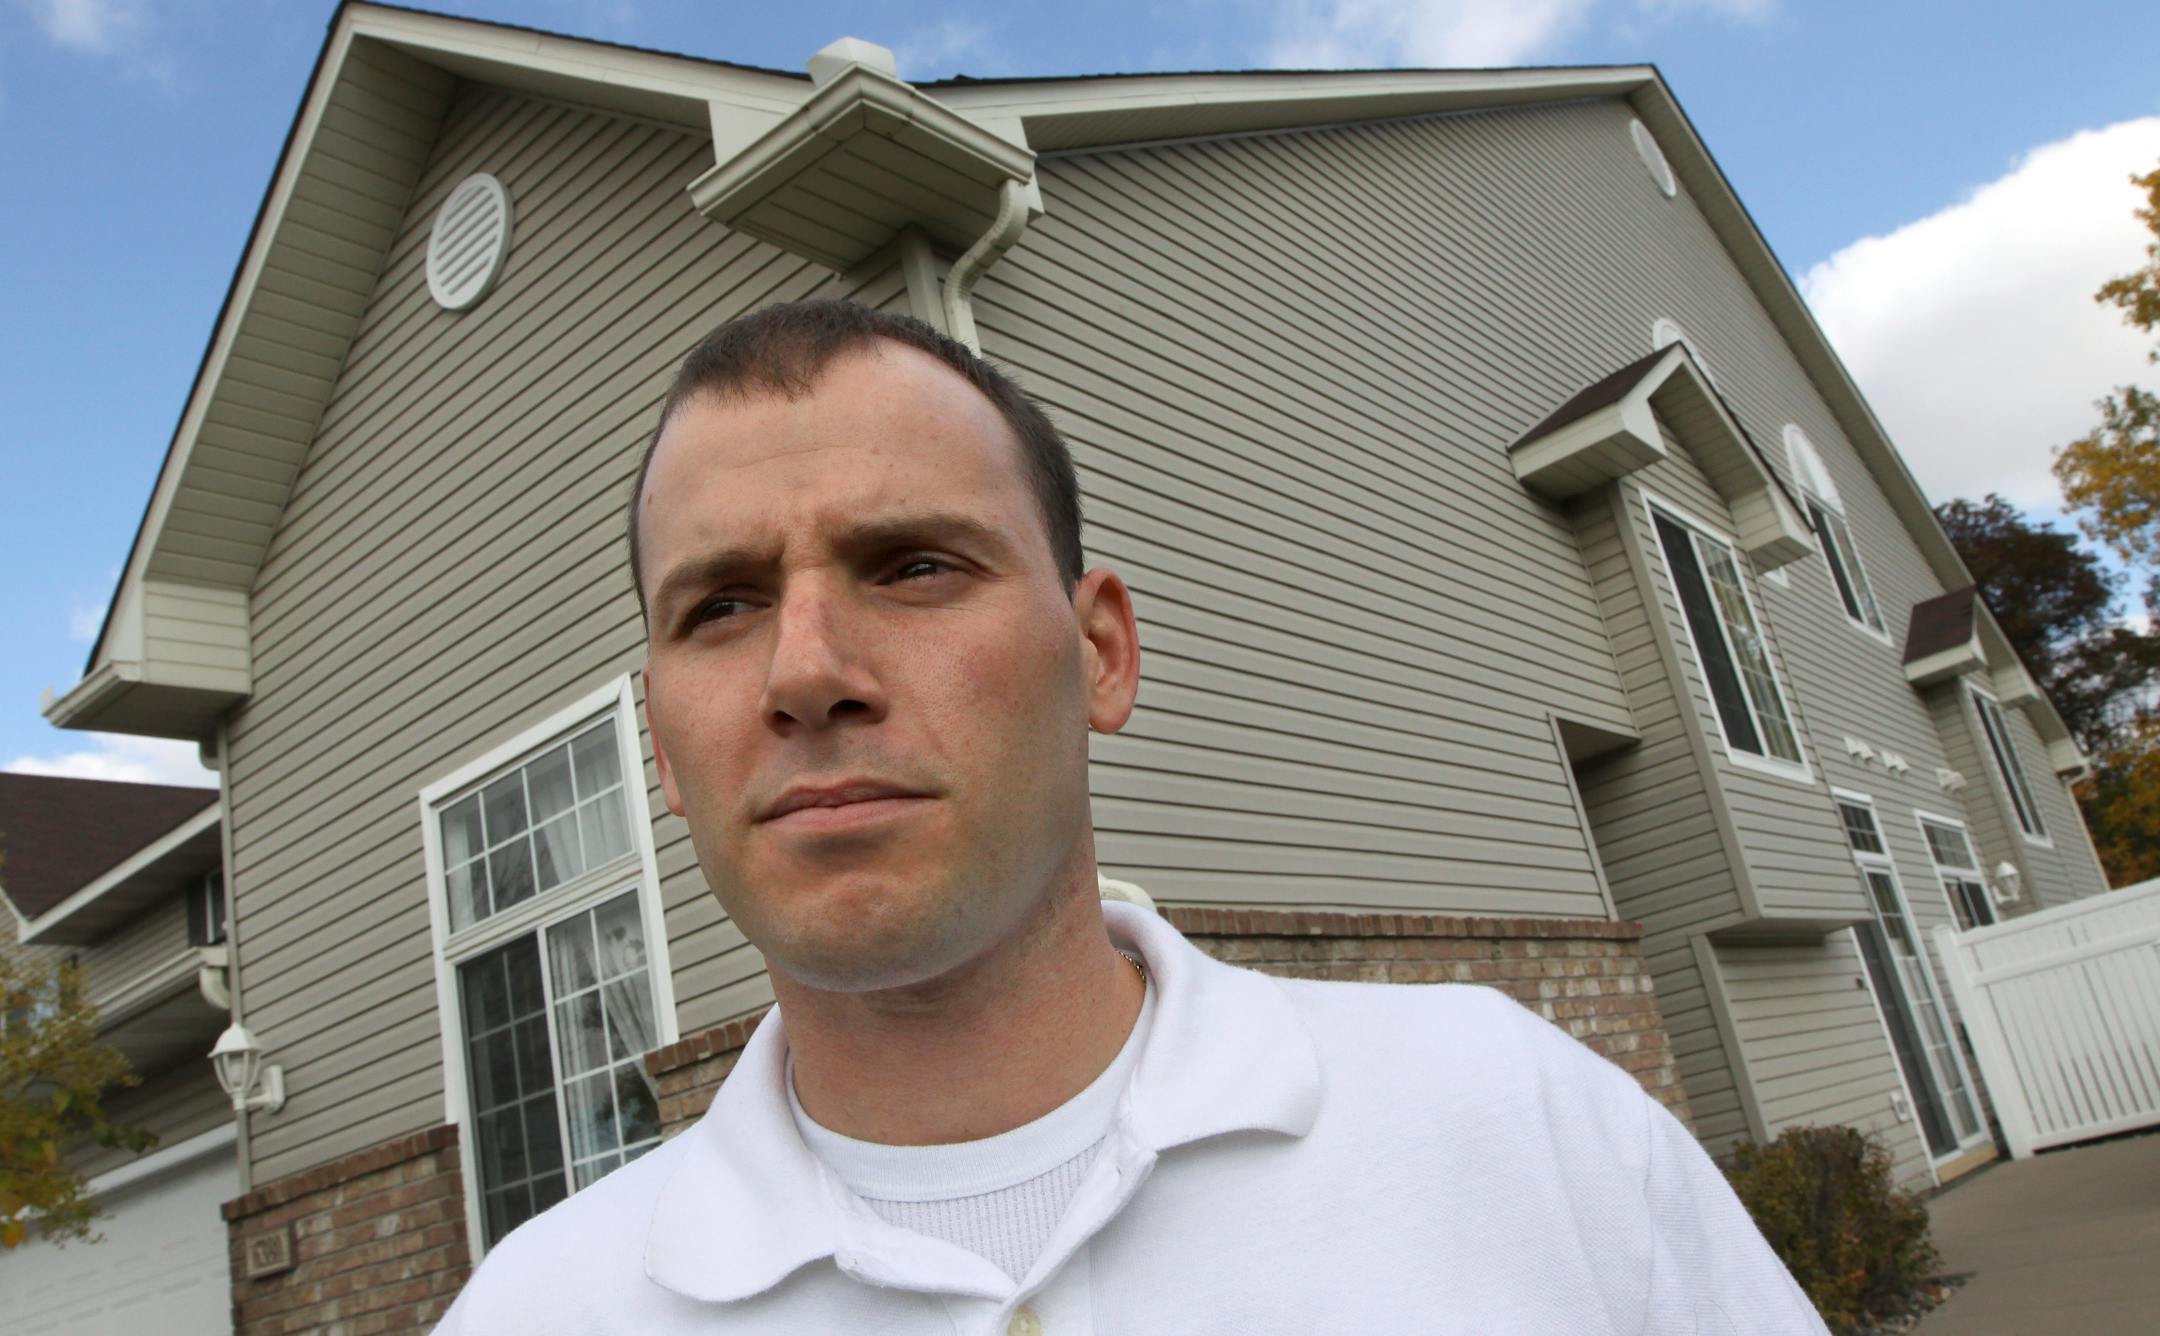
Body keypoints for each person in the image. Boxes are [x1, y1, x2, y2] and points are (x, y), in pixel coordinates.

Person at [435, 301, 1828, 1334]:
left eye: (913, 565)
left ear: (1100, 652)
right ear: (662, 746)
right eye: (721, 606)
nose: (805, 672)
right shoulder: (535, 1313)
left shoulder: (1512, 1122)